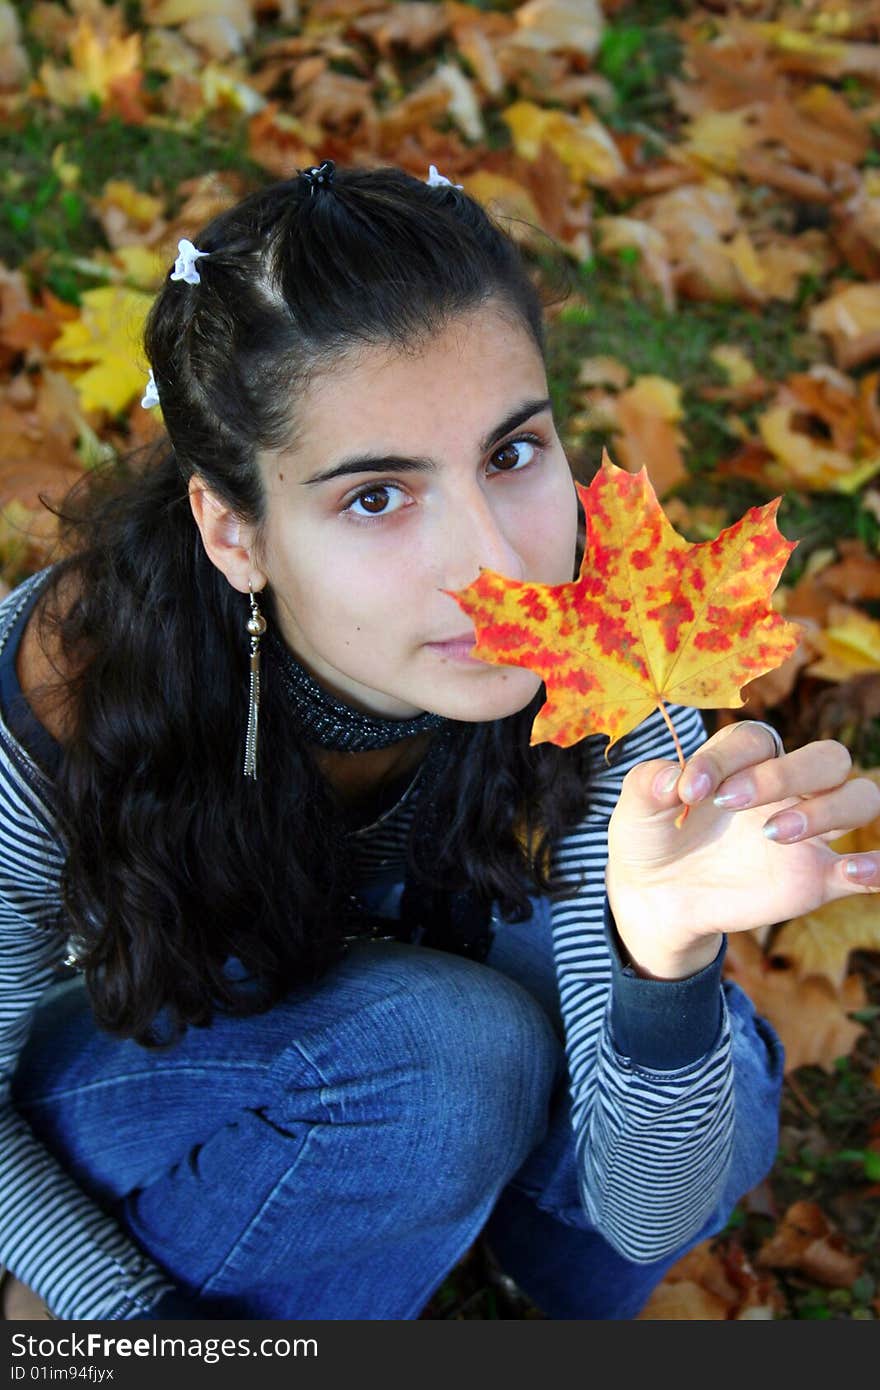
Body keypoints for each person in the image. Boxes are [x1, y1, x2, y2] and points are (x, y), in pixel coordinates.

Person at [0, 161, 877, 1323]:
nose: (500, 565)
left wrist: (663, 956)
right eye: (376, 496)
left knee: (725, 1080)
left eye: (512, 454)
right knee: (445, 1058)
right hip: (153, 1063)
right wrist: (124, 1319)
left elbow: (648, 1212)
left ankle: (488, 1248)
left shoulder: (613, 665)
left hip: (446, 1035)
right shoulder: (62, 699)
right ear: (234, 530)